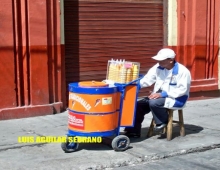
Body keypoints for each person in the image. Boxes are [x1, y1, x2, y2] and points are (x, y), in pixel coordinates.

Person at [124, 48, 191, 138]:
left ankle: (162, 122)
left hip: (176, 98)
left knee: (154, 102)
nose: (159, 62)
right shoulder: (158, 67)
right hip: (158, 95)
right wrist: (136, 85)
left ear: (171, 60)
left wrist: (162, 94)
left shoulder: (183, 71)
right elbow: (147, 79)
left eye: (161, 60)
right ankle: (133, 131)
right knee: (138, 105)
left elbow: (182, 90)